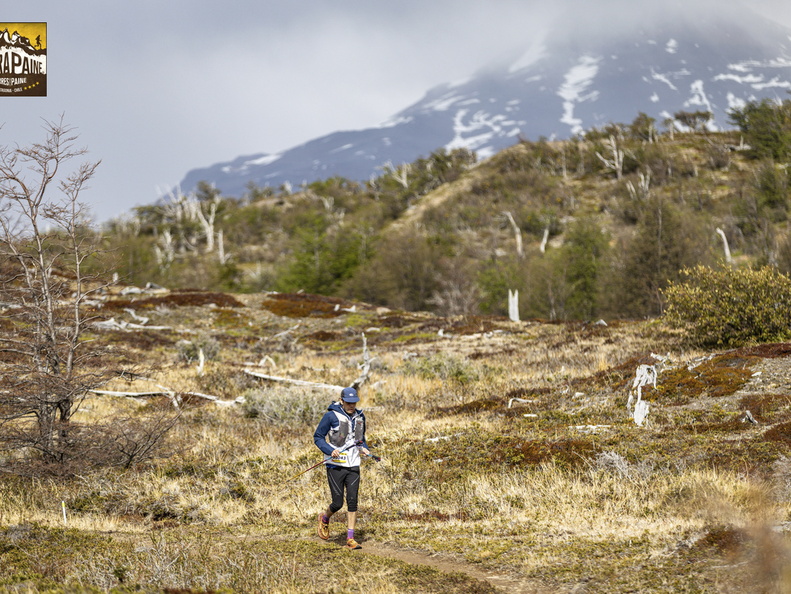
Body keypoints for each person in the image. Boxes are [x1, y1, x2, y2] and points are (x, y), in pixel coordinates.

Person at [313, 386, 370, 550]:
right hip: (335, 465)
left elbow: (360, 439)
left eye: (354, 402)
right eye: (348, 402)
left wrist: (364, 448)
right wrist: (330, 450)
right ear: (341, 401)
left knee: (353, 501)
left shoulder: (360, 416)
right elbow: (318, 437)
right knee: (337, 503)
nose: (351, 405)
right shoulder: (330, 416)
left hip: (353, 465)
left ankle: (350, 538)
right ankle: (324, 518)